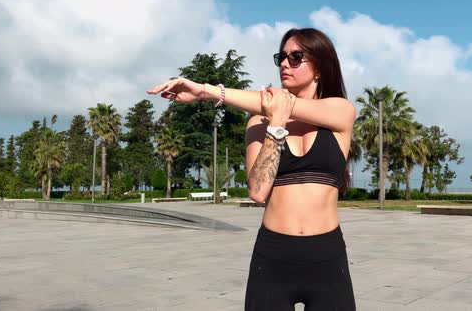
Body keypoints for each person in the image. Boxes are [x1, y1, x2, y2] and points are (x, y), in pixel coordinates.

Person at [148, 28, 356, 310]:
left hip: (328, 257)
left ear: (320, 66)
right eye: (280, 57)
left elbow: (286, 104)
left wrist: (204, 91)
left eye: (295, 57)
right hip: (273, 257)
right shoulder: (259, 122)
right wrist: (276, 127)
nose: (284, 63)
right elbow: (258, 191)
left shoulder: (340, 111)